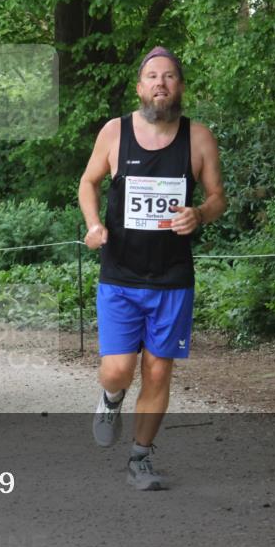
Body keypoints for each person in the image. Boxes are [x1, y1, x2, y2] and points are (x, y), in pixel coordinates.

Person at [78, 46, 226, 490]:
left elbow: (219, 197)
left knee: (159, 370)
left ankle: (140, 458)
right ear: (140, 87)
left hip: (172, 278)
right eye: (152, 76)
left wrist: (200, 213)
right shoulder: (115, 132)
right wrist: (93, 223)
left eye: (169, 76)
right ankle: (110, 397)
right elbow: (88, 182)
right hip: (120, 272)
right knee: (119, 369)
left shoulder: (197, 138)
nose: (160, 82)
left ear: (179, 86)